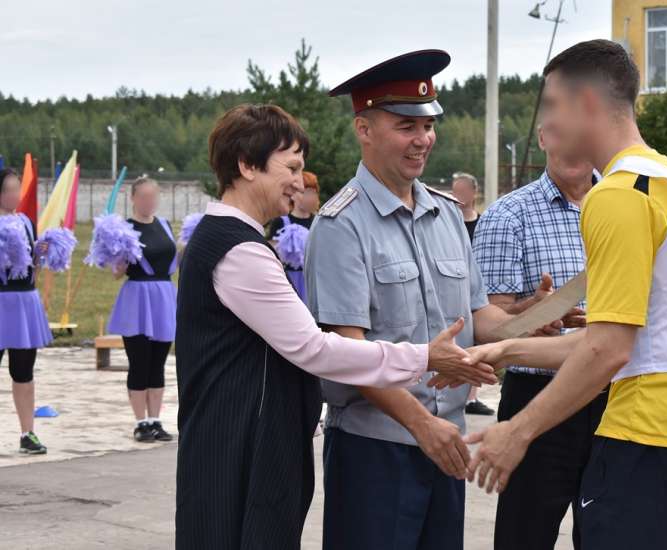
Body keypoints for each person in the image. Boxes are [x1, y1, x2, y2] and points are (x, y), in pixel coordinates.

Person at [465, 39, 667, 550]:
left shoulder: (619, 194)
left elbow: (608, 348)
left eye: (552, 104)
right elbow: (640, 335)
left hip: (652, 433)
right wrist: (506, 348)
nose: (547, 121)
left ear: (587, 104)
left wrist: (518, 430)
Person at [174, 103, 495, 550]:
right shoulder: (239, 251)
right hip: (241, 453)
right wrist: (422, 356)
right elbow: (317, 350)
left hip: (241, 446)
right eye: (290, 167)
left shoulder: (224, 241)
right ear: (247, 166)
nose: (299, 182)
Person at [305, 50, 558, 550]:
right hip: (376, 449)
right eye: (405, 126)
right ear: (364, 128)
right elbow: (346, 353)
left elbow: (476, 319)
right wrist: (423, 426)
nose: (423, 140)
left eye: (428, 125)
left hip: (446, 443)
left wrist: (533, 317)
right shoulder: (341, 225)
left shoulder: (447, 214)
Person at [472, 126, 601, 550]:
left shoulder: (626, 206)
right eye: (561, 133)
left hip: (615, 396)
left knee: (609, 533)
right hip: (536, 394)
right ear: (544, 138)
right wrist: (529, 313)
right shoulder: (508, 215)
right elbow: (487, 322)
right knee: (524, 536)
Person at [107, 177, 177, 443]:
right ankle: (140, 422)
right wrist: (121, 261)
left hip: (163, 296)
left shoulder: (165, 226)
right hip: (137, 298)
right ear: (133, 198)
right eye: (144, 197)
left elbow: (173, 258)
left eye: (153, 196)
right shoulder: (125, 228)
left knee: (158, 362)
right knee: (139, 361)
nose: (149, 202)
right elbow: (115, 271)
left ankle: (156, 419)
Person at [0, 168, 52, 455]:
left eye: (15, 189)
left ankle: (27, 432)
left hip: (24, 303)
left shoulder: (26, 223)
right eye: (6, 189)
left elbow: (34, 267)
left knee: (23, 372)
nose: (12, 195)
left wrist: (40, 254)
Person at [450, 171, 494, 416]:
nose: (460, 195)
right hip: (456, 290)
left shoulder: (483, 223)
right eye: (456, 191)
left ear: (474, 193)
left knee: (476, 340)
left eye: (464, 190)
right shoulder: (447, 222)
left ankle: (471, 396)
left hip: (479, 291)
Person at [266, 170, 320, 300]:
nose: (310, 197)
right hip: (287, 283)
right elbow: (273, 255)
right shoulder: (281, 222)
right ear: (294, 194)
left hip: (313, 283)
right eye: (305, 192)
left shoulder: (318, 222)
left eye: (313, 192)